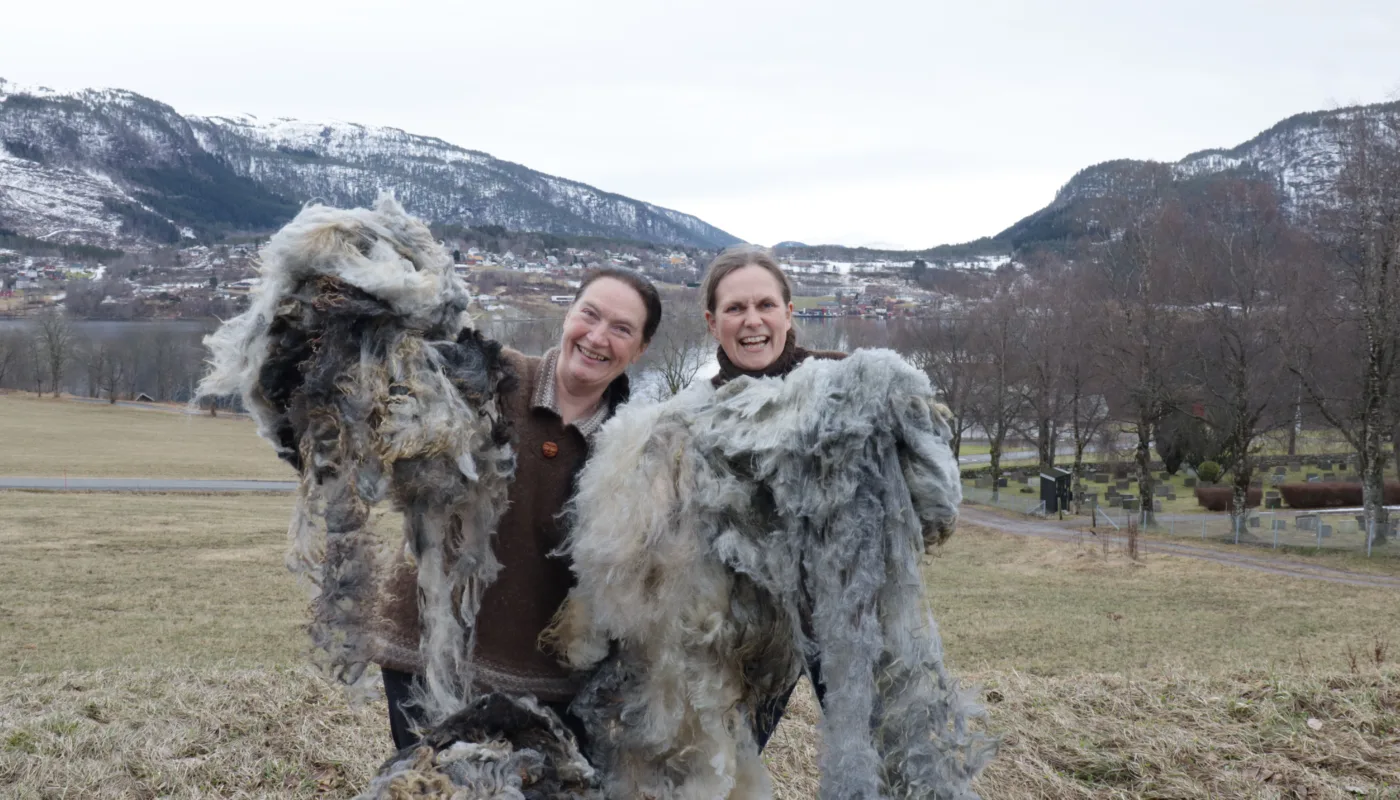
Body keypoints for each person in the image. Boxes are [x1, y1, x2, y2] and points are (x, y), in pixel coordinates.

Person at [372, 266, 662, 752]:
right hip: (432, 655)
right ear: (567, 316)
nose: (597, 337)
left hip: (552, 688)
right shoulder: (489, 375)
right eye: (588, 315)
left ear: (641, 348)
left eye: (621, 328)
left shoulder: (637, 448)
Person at [698, 244, 845, 746]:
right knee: (724, 766)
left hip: (846, 616)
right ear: (712, 322)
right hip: (747, 630)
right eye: (735, 308)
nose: (752, 320)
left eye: (765, 305)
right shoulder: (698, 416)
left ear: (788, 312)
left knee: (879, 765)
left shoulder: (842, 383)